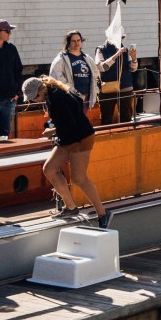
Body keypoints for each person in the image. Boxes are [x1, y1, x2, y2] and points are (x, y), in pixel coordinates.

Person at [24, 73, 107, 219]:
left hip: (81, 137)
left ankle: (103, 214)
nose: (34, 100)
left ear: (41, 90)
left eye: (34, 97)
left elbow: (70, 124)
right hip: (68, 137)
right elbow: (76, 106)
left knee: (79, 178)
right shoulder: (51, 94)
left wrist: (52, 131)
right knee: (49, 169)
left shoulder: (57, 98)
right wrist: (55, 126)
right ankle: (71, 207)